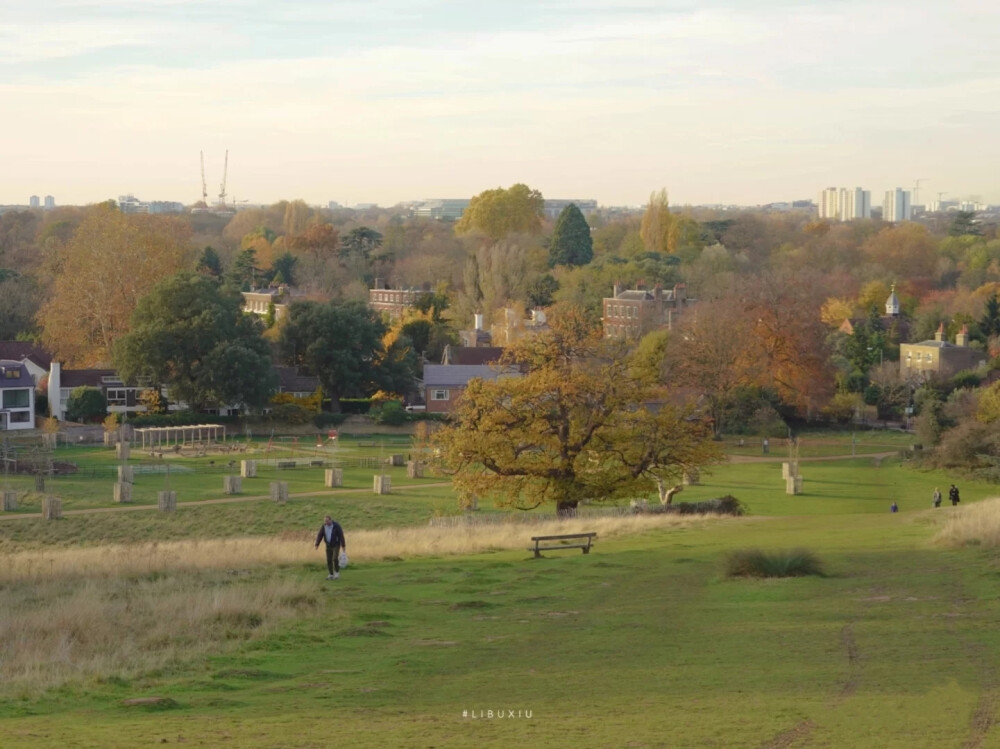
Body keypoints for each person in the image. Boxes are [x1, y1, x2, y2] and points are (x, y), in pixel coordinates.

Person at [314, 515, 346, 580]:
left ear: (330, 520)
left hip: (336, 545)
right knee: (329, 560)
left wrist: (343, 545)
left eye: (327, 521)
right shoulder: (323, 526)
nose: (326, 522)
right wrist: (317, 544)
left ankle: (337, 573)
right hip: (328, 545)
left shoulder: (336, 526)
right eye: (325, 521)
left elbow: (341, 535)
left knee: (335, 558)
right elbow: (320, 535)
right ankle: (331, 574)